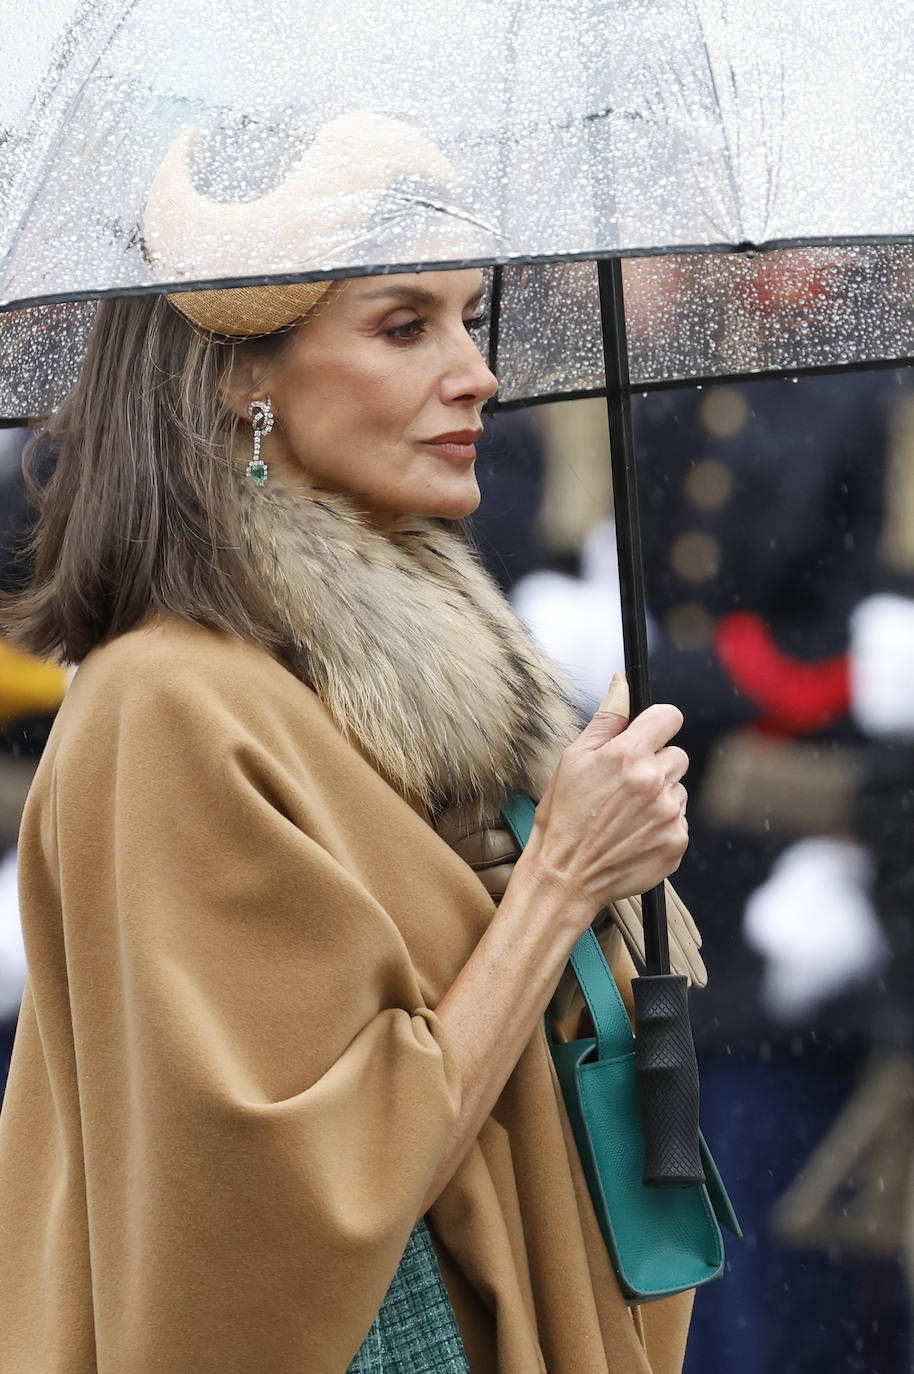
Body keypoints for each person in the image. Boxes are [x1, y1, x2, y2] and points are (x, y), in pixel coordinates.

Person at [0, 263, 692, 1373]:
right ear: (239, 374)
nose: (476, 375)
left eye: (468, 322)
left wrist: (599, 856)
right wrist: (557, 879)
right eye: (404, 327)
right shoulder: (169, 704)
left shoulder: (349, 684)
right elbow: (292, 1202)